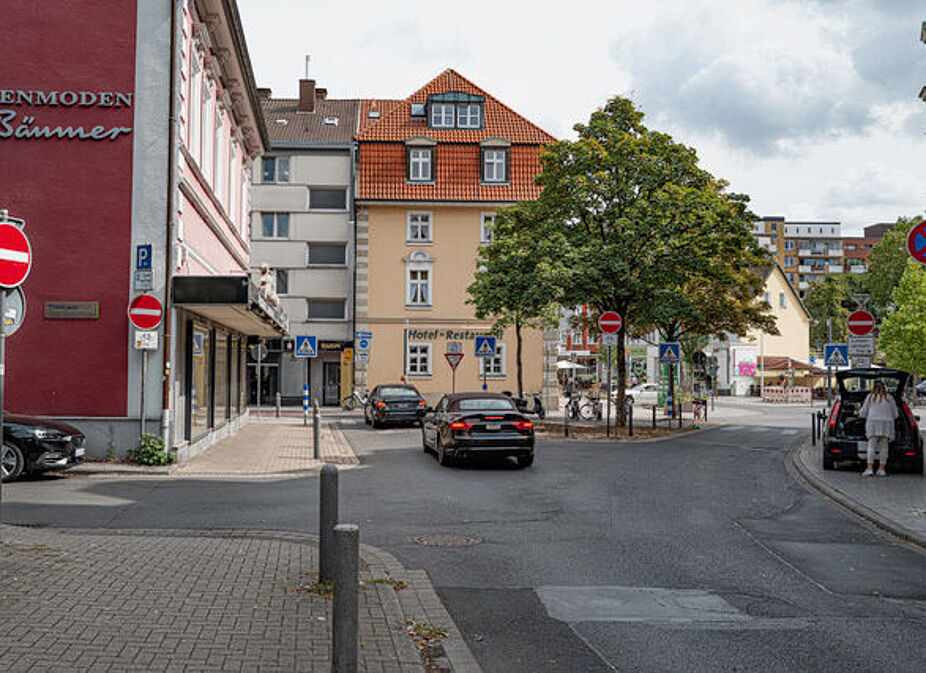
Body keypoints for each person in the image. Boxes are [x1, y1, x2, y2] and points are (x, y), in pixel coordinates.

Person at [858, 381, 898, 477]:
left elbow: (863, 412)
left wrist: (857, 413)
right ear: (884, 388)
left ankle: (869, 468)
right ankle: (881, 469)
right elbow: (895, 414)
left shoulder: (870, 397)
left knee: (871, 446)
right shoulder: (890, 398)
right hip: (886, 424)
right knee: (884, 447)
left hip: (873, 424)